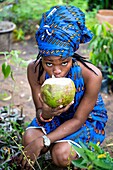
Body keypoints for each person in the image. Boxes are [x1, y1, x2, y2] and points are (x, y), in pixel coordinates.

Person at [19, 5, 108, 169]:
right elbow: (40, 113)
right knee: (29, 139)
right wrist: (45, 113)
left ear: (71, 55)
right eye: (49, 63)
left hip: (84, 121)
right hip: (56, 119)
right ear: (42, 56)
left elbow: (78, 120)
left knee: (61, 156)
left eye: (64, 62)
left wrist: (44, 140)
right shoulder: (34, 70)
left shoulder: (92, 75)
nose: (57, 70)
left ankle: (73, 148)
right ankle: (59, 142)